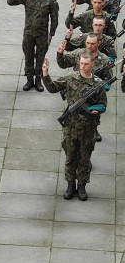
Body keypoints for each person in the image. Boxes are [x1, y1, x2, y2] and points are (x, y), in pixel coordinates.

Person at [42, 53, 107, 201]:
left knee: (85, 158)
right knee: (70, 157)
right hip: (71, 127)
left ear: (92, 65)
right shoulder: (71, 78)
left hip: (88, 128)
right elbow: (53, 88)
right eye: (81, 64)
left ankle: (82, 185)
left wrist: (97, 109)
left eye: (86, 64)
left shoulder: (98, 83)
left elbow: (103, 104)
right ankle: (70, 185)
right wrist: (45, 74)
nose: (83, 66)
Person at [57, 32, 112, 143]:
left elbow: (108, 78)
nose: (89, 46)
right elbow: (63, 63)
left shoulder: (104, 60)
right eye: (87, 43)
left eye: (92, 43)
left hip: (93, 93)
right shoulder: (79, 54)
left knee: (93, 115)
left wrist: (103, 86)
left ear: (98, 43)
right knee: (73, 113)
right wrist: (60, 53)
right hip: (76, 91)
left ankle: (93, 130)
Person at [8, 0, 59, 92]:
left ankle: (39, 80)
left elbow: (54, 18)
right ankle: (29, 79)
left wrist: (51, 34)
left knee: (40, 58)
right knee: (28, 57)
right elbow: (10, 2)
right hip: (28, 34)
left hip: (42, 35)